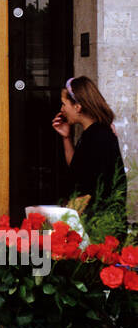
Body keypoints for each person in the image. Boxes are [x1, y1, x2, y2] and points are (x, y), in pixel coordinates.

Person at [52, 75, 127, 232]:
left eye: (64, 104)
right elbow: (77, 169)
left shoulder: (99, 136)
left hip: (101, 226)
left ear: (78, 107)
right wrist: (66, 137)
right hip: (97, 221)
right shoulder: (92, 133)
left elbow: (91, 187)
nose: (62, 109)